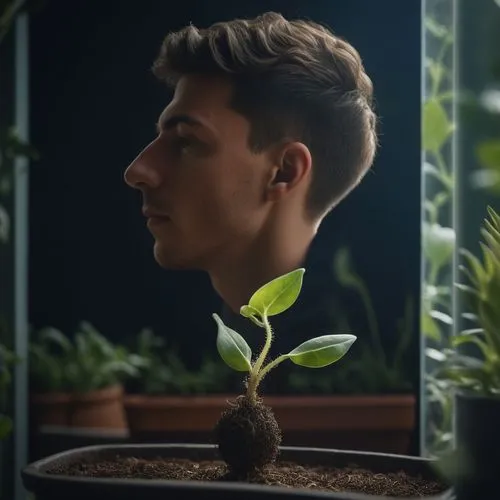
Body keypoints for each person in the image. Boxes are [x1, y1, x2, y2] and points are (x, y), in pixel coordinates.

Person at [124, 12, 378, 358]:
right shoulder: (158, 342)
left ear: (283, 172)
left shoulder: (370, 359)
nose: (138, 170)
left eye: (186, 141)